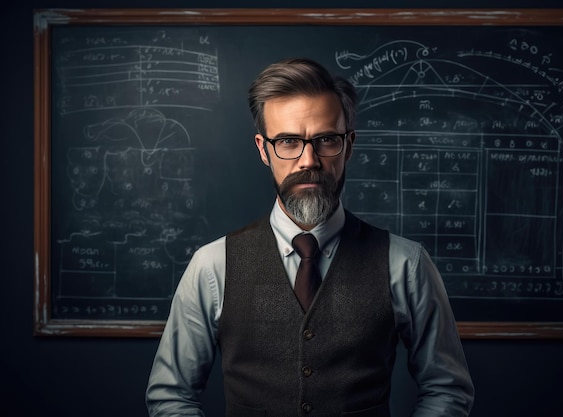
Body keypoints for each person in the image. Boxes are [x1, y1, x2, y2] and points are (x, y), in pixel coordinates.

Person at [146, 57, 474, 417]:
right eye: (288, 141)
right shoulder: (212, 265)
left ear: (348, 145)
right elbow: (170, 396)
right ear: (263, 149)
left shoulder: (406, 264)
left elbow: (447, 388)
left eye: (326, 140)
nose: (308, 160)